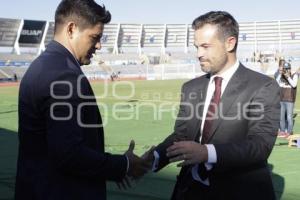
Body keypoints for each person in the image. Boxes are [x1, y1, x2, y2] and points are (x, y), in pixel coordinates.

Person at [15, 1, 149, 200]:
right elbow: (68, 155)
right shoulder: (64, 75)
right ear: (71, 29)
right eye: (94, 37)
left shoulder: (44, 65)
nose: (99, 45)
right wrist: (124, 165)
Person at [143, 11, 280, 200]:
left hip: (239, 192)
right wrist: (153, 158)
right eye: (197, 47)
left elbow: (260, 145)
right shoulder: (191, 87)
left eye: (206, 46)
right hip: (189, 190)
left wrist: (206, 153)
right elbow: (181, 135)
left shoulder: (263, 86)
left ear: (230, 43)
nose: (199, 54)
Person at [275, 59, 298, 137]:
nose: (286, 70)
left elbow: (294, 84)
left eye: (287, 69)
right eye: (285, 69)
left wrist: (288, 77)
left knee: (289, 117)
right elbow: (277, 84)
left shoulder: (294, 75)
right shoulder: (281, 76)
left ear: (290, 69)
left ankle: (289, 131)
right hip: (281, 99)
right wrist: (280, 74)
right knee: (281, 117)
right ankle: (282, 131)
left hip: (290, 99)